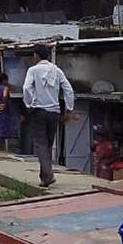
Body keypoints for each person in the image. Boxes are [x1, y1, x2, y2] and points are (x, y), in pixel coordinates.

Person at [22, 47, 75, 187]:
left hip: (39, 111)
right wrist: (69, 109)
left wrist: (30, 103)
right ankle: (44, 177)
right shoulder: (56, 70)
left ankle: (48, 175)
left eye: (33, 55)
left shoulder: (33, 70)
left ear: (37, 56)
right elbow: (68, 90)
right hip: (54, 113)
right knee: (47, 144)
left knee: (40, 144)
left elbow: (26, 88)